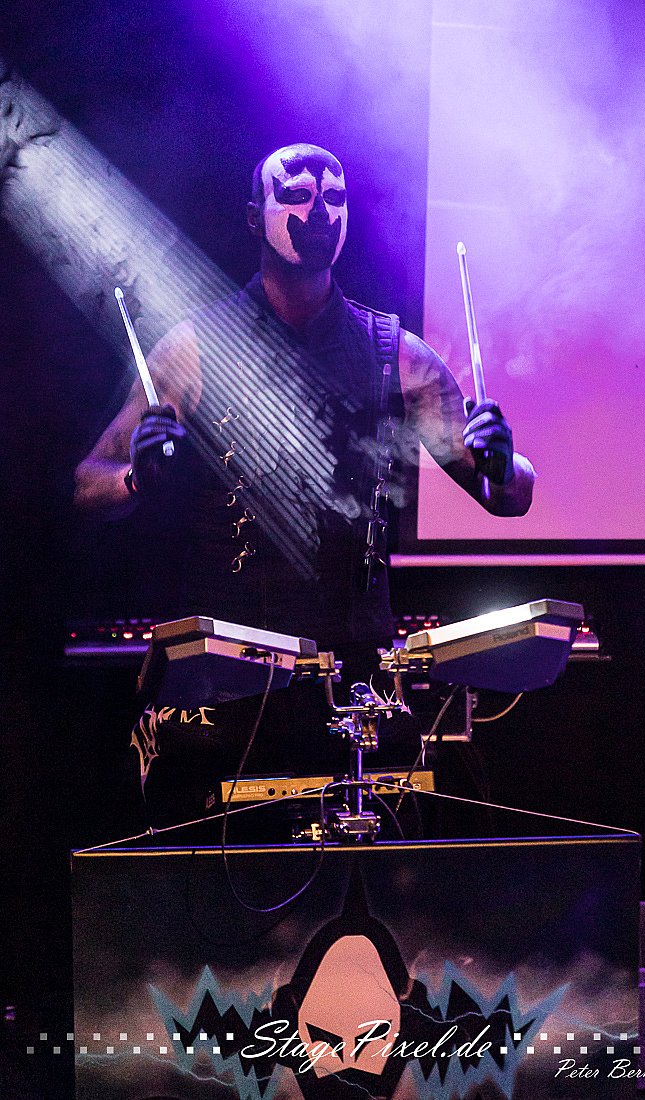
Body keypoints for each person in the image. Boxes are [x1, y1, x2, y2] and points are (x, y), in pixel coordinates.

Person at [74, 143, 536, 829]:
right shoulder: (195, 347)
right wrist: (138, 476)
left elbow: (509, 496)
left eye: (334, 197)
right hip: (229, 681)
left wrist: (502, 461)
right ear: (253, 216)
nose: (319, 211)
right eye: (295, 194)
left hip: (354, 682)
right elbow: (88, 484)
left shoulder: (396, 354)